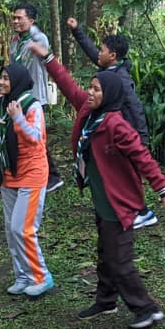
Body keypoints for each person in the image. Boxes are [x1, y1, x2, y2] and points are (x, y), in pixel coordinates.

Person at [32, 41, 165, 329]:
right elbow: (67, 84)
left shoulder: (115, 124)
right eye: (91, 87)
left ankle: (147, 309)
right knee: (104, 253)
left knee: (119, 259)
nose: (90, 92)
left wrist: (163, 191)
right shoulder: (89, 112)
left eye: (97, 89)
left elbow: (143, 157)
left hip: (119, 203)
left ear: (109, 94)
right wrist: (47, 57)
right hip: (102, 198)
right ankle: (106, 301)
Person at [0, 64, 54, 297]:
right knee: (10, 230)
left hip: (32, 175)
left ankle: (41, 276)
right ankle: (22, 276)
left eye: (6, 78)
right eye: (1, 78)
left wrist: (18, 119)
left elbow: (36, 137)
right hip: (8, 175)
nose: (1, 82)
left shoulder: (32, 106)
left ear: (18, 80)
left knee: (22, 229)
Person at [67, 16, 155, 228]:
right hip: (111, 134)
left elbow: (135, 108)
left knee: (129, 174)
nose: (99, 52)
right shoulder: (108, 70)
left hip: (124, 133)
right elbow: (93, 53)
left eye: (103, 50)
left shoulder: (121, 80)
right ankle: (118, 205)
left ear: (113, 56)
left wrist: (141, 138)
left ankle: (140, 211)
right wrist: (77, 31)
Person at [9, 3, 62, 193]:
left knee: (36, 138)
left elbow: (41, 43)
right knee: (22, 136)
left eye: (20, 18)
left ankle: (53, 177)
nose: (15, 21)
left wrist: (31, 29)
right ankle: (28, 173)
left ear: (31, 21)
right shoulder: (15, 40)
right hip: (19, 95)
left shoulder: (39, 39)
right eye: (14, 18)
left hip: (36, 97)